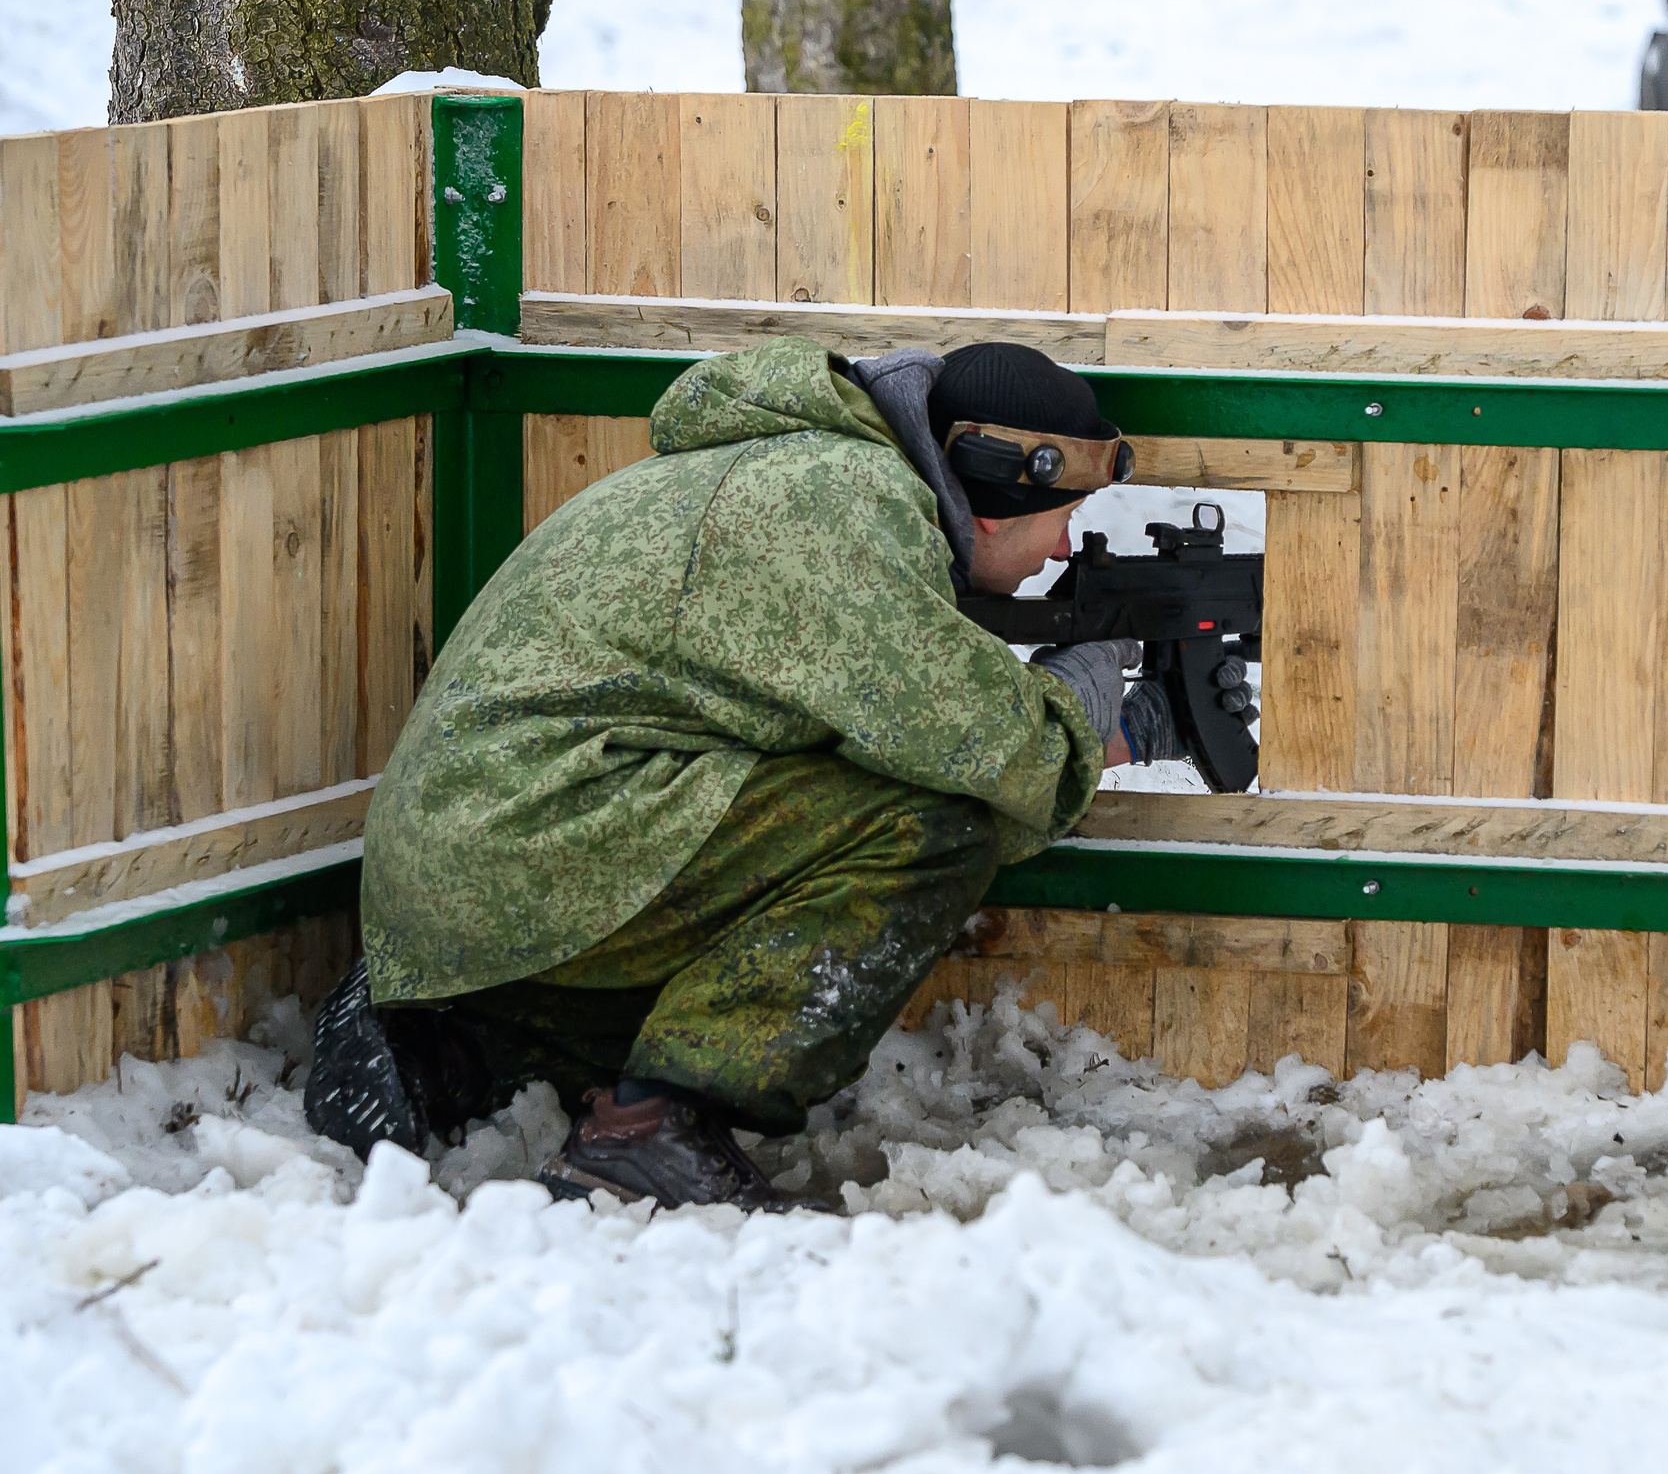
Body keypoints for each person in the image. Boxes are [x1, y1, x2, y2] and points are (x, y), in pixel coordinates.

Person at [307, 336, 1238, 1208]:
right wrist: (1087, 710)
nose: (1068, 548)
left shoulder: (792, 472)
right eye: (1065, 516)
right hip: (540, 842)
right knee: (934, 823)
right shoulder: (844, 507)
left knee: (784, 840)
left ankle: (447, 1048)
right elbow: (991, 761)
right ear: (993, 489)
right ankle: (644, 1129)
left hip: (469, 874)